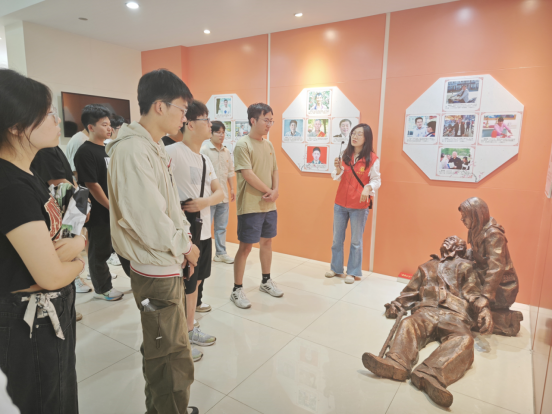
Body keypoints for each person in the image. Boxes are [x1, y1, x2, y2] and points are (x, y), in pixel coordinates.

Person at [106, 69, 200, 414]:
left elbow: (167, 206)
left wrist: (183, 243)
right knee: (168, 356)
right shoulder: (133, 150)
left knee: (169, 349)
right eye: (182, 109)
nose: (184, 118)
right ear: (160, 106)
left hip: (165, 261)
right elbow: (147, 218)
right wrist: (185, 246)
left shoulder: (152, 145)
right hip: (155, 266)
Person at [0, 68, 86, 414]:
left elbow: (58, 240)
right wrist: (79, 259)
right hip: (30, 318)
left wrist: (75, 243)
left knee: (60, 393)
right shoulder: (10, 186)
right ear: (16, 126)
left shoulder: (29, 172)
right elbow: (50, 275)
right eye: (48, 113)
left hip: (48, 311)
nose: (56, 120)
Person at [363, 236, 493, 408]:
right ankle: (396, 362)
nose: (448, 240)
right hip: (426, 310)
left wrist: (483, 309)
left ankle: (431, 374)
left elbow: (473, 292)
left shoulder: (466, 266)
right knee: (408, 323)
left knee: (464, 340)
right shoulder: (426, 267)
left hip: (455, 314)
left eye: (453, 240)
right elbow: (410, 292)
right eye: (447, 238)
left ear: (459, 248)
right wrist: (396, 304)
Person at [167, 100, 223, 361]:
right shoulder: (172, 152)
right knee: (185, 283)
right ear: (189, 124)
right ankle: (183, 333)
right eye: (206, 120)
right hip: (185, 231)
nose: (210, 125)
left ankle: (189, 328)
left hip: (204, 230)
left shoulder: (204, 158)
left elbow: (220, 192)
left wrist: (204, 202)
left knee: (197, 281)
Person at [230, 103, 283, 309]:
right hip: (250, 205)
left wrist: (275, 190)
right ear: (253, 120)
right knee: (245, 248)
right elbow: (247, 174)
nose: (269, 124)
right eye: (266, 120)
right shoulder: (242, 145)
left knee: (267, 242)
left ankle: (266, 280)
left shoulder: (268, 145)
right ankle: (236, 289)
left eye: (271, 120)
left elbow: (275, 170)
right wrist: (268, 191)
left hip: (269, 205)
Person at [74, 105, 123, 301]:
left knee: (119, 248)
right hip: (99, 212)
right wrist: (111, 207)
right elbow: (92, 185)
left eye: (110, 124)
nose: (109, 128)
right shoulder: (85, 152)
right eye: (104, 124)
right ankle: (103, 289)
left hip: (114, 209)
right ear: (91, 127)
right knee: (99, 252)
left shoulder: (108, 149)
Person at [31, 143, 92, 297]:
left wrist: (81, 199)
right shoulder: (44, 149)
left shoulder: (53, 147)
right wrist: (81, 202)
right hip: (59, 209)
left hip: (66, 206)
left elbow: (69, 178)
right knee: (66, 249)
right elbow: (58, 181)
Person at [325, 123, 381, 283]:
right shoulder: (345, 154)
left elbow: (376, 180)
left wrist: (368, 187)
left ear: (366, 138)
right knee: (337, 239)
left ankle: (353, 272)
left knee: (356, 241)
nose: (354, 137)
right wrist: (337, 169)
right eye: (353, 133)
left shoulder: (372, 158)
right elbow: (337, 177)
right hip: (340, 203)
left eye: (359, 134)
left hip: (359, 206)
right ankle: (336, 268)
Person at [201, 121, 236, 264]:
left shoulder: (226, 151)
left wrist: (232, 188)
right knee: (205, 227)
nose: (222, 135)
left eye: (223, 132)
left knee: (221, 227)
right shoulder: (204, 150)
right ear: (211, 133)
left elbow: (230, 171)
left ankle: (221, 253)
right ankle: (203, 255)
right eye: (218, 132)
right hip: (209, 197)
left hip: (224, 196)